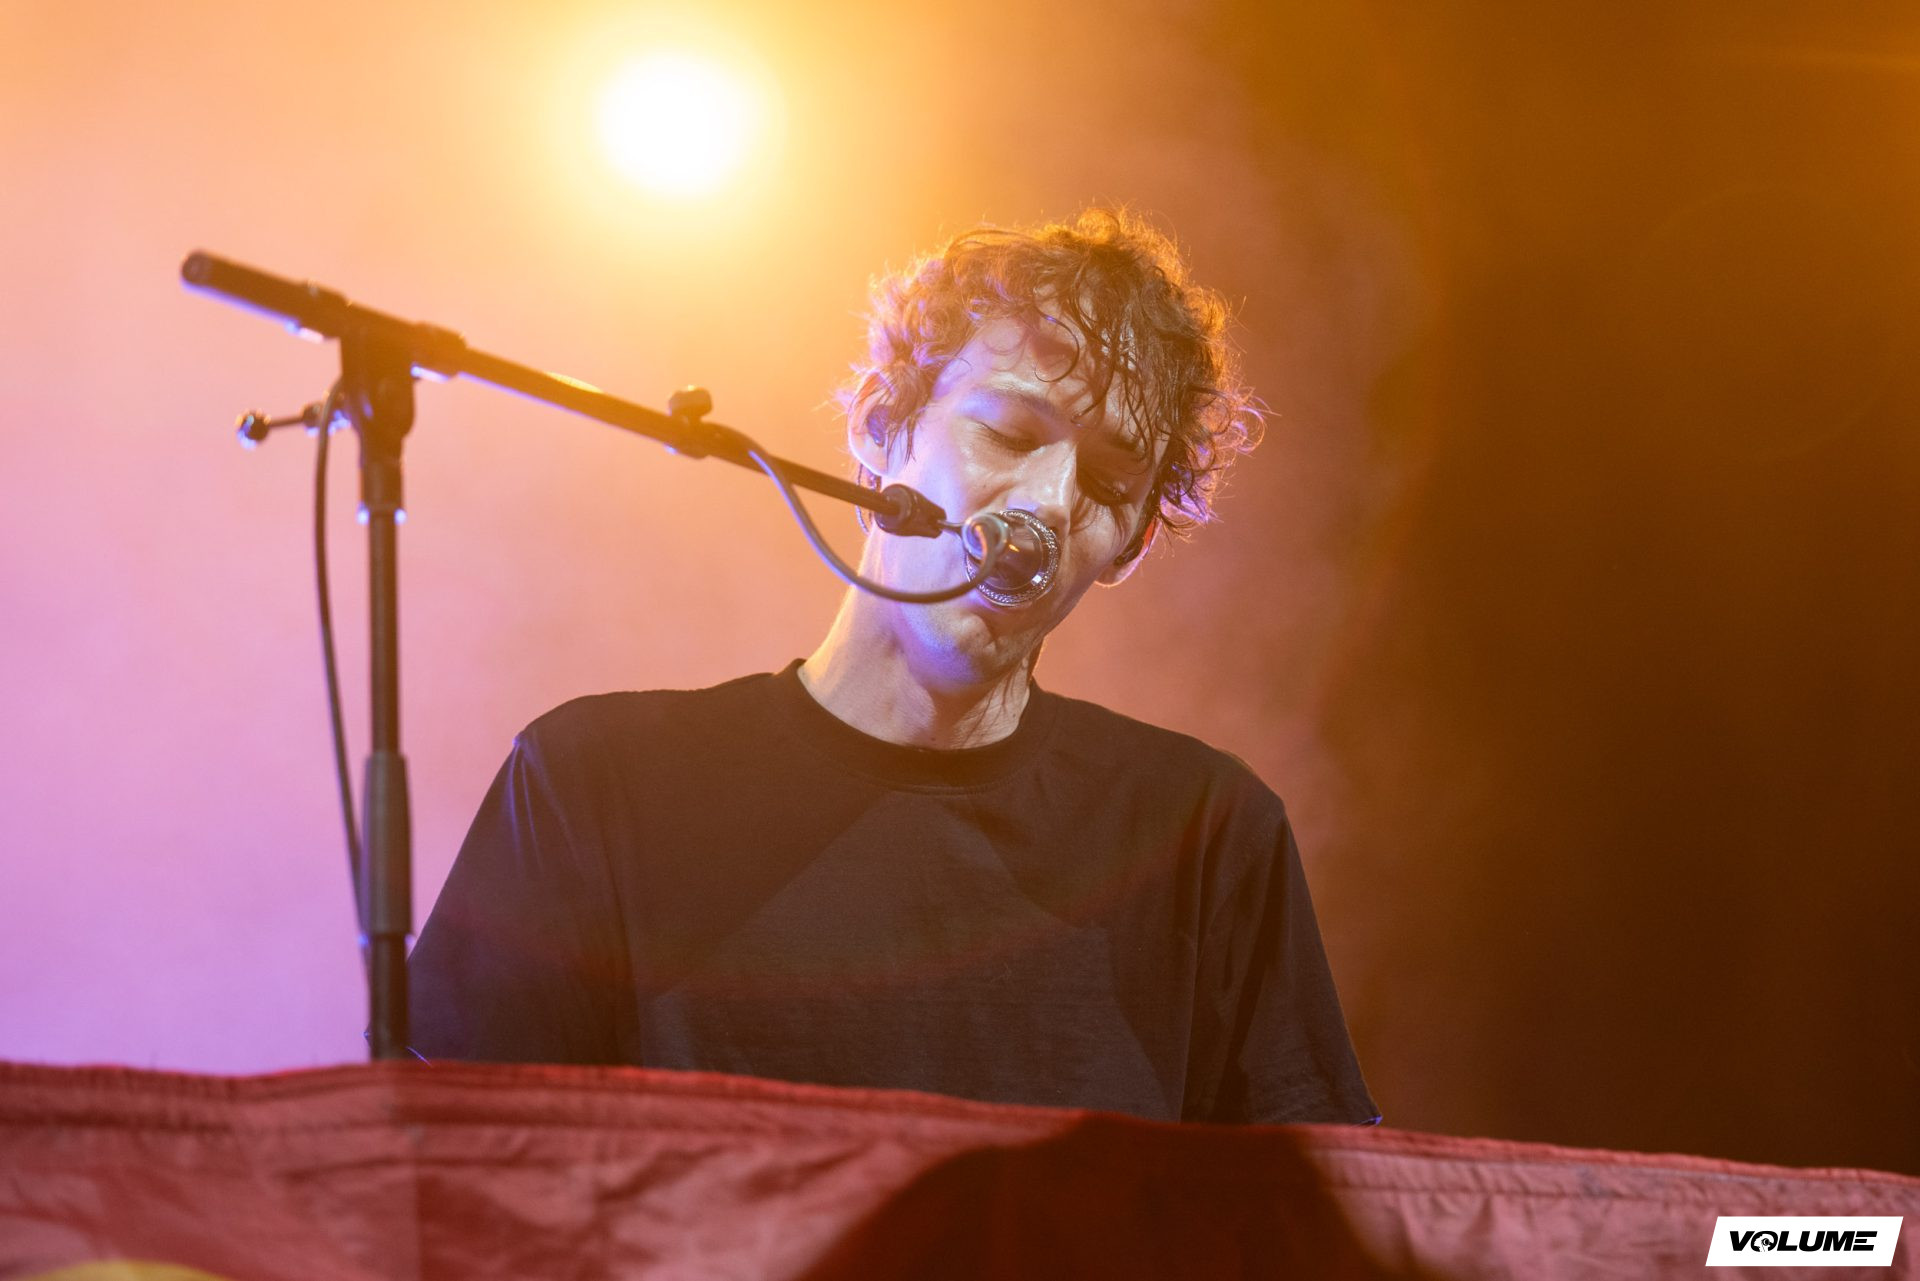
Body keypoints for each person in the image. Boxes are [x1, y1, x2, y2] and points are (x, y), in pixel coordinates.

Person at [409, 209, 1377, 1125]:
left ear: (1129, 545)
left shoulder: (1204, 838)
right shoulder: (594, 786)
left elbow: (1317, 1213)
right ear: (882, 428)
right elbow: (452, 1182)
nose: (1048, 503)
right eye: (1010, 434)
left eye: (1108, 482)